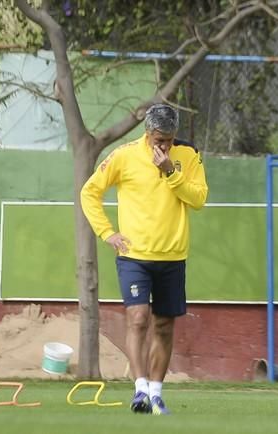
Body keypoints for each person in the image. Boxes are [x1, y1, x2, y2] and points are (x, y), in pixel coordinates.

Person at [80, 103, 208, 415]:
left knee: (164, 325)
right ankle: (138, 390)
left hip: (173, 256)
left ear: (174, 135)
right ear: (147, 133)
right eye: (157, 139)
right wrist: (107, 233)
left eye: (167, 140)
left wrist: (171, 173)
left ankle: (156, 393)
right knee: (138, 318)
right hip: (134, 255)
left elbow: (199, 199)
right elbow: (89, 192)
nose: (162, 146)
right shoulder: (124, 155)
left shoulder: (188, 156)